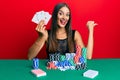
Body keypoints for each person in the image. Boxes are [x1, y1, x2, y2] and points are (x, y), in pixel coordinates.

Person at [28, 3, 97, 60]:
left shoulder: (75, 34)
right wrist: (41, 37)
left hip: (70, 73)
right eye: (61, 13)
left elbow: (88, 56)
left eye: (67, 14)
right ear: (55, 15)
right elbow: (30, 56)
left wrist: (91, 31)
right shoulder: (46, 34)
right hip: (52, 72)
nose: (64, 17)